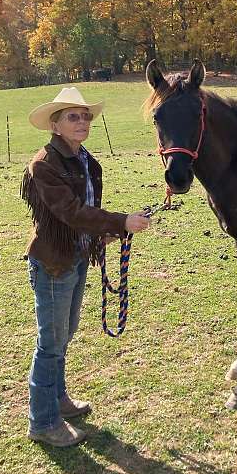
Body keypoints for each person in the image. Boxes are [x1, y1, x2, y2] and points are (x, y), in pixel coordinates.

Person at [21, 86, 151, 447]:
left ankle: (58, 399)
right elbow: (70, 212)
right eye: (72, 117)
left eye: (85, 117)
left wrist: (102, 236)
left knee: (66, 333)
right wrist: (119, 221)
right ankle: (42, 421)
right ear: (56, 125)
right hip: (53, 264)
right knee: (51, 342)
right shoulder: (44, 164)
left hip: (76, 257)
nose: (82, 122)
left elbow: (82, 214)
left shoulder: (85, 160)